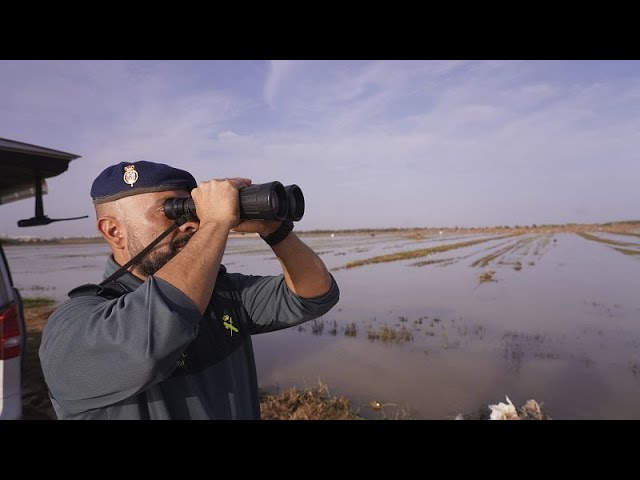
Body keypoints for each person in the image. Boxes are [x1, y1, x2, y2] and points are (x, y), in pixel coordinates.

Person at [39, 161, 339, 419]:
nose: (191, 224)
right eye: (172, 211)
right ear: (114, 231)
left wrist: (276, 231)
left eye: (193, 211)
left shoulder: (222, 295)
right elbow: (151, 340)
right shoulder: (73, 328)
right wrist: (217, 220)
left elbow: (314, 295)